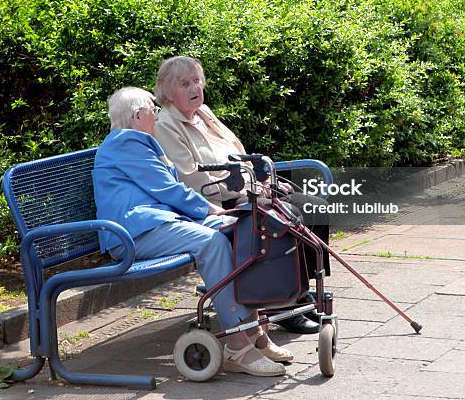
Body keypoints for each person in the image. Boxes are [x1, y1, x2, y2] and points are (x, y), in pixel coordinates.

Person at [92, 86, 293, 377]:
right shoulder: (127, 143)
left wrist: (217, 213)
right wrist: (210, 209)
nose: (157, 114)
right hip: (134, 233)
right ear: (138, 116)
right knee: (213, 241)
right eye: (153, 109)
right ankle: (238, 346)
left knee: (239, 229)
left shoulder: (138, 141)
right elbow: (167, 188)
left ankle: (256, 335)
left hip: (159, 223)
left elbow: (166, 190)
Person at [154, 56, 331, 335]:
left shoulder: (204, 114)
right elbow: (194, 178)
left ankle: (298, 291)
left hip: (245, 190)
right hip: (218, 202)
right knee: (285, 218)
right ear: (167, 90)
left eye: (197, 80)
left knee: (315, 208)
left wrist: (263, 182)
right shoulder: (166, 125)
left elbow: (237, 152)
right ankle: (281, 305)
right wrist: (250, 191)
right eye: (184, 83)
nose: (194, 88)